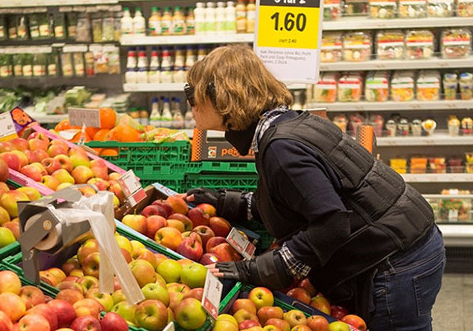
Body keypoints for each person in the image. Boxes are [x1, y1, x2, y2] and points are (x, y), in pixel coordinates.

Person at [184, 45, 446, 330]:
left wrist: (258, 270)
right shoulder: (288, 126)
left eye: (192, 92)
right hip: (408, 241)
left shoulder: (281, 147)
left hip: (397, 260)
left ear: (221, 96)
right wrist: (224, 203)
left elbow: (331, 223)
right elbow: (296, 198)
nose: (190, 102)